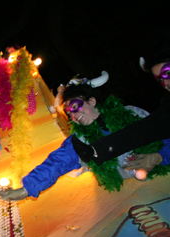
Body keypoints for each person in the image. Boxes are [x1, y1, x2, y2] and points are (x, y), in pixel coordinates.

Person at [0, 71, 170, 200]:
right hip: (141, 199)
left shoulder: (131, 112)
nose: (73, 116)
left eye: (75, 107)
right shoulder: (81, 140)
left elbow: (165, 132)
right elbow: (57, 162)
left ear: (92, 101)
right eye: (68, 114)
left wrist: (159, 156)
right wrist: (27, 188)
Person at [72, 36, 170, 166]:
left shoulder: (131, 112)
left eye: (167, 73)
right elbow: (144, 130)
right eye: (160, 80)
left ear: (92, 101)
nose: (166, 83)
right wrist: (160, 157)